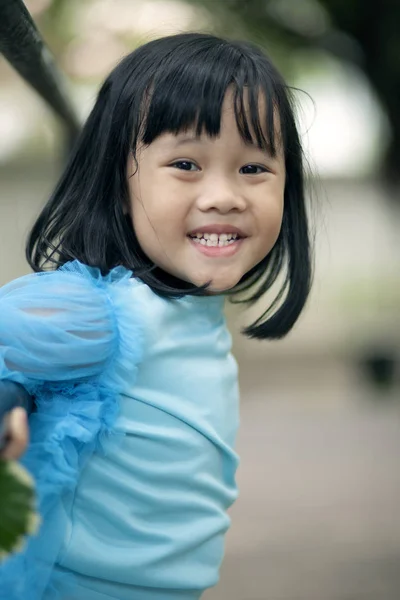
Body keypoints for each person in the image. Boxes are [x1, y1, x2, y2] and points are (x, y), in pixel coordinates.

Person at [0, 32, 312, 600]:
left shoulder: (195, 312)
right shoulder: (96, 311)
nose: (225, 196)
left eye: (254, 169)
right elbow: (11, 351)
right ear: (119, 183)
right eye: (187, 163)